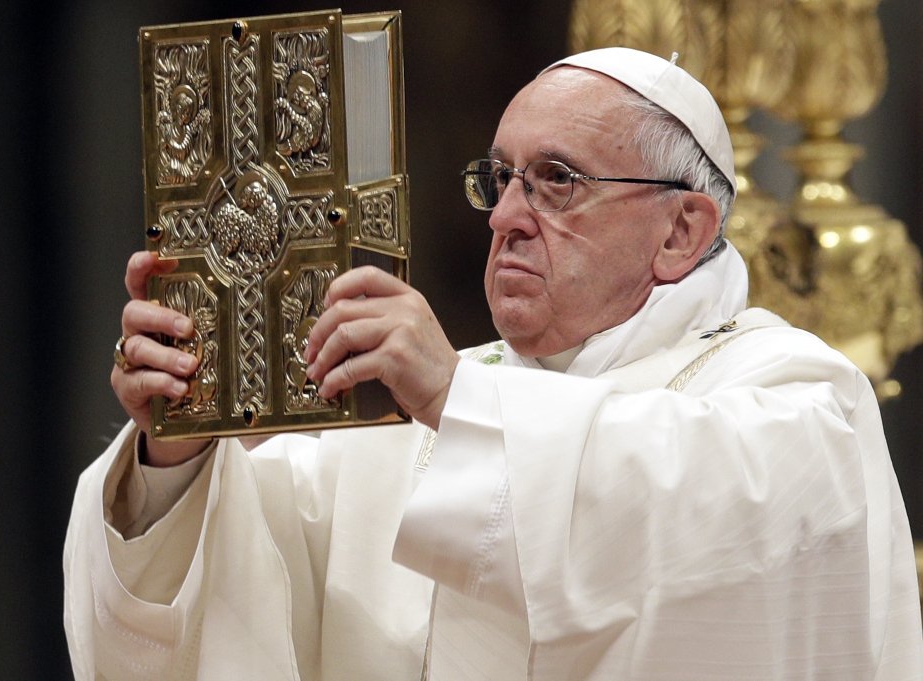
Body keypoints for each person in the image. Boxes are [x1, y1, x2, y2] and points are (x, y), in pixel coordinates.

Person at [64, 47, 922, 680]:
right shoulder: (439, 408)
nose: (505, 215)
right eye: (500, 178)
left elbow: (687, 512)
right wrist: (176, 445)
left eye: (555, 180)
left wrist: (452, 395)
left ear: (681, 230)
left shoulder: (798, 399)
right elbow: (235, 579)